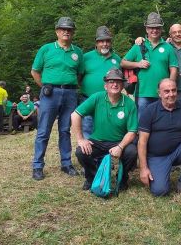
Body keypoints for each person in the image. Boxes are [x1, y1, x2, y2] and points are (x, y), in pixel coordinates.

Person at [31, 16, 84, 181]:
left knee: (65, 130)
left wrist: (72, 86)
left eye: (69, 29)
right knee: (43, 131)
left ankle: (66, 163)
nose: (66, 32)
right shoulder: (46, 49)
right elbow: (35, 71)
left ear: (73, 32)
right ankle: (38, 166)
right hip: (50, 94)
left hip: (70, 94)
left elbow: (80, 74)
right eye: (63, 29)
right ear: (57, 31)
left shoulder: (77, 52)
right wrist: (44, 87)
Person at [73, 68, 138, 191]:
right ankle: (92, 177)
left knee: (132, 152)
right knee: (81, 152)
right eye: (111, 81)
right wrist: (81, 139)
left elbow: (132, 131)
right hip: (97, 141)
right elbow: (75, 115)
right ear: (105, 85)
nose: (115, 84)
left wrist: (120, 147)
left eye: (118, 82)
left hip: (119, 141)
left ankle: (122, 178)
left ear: (123, 85)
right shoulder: (96, 97)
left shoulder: (129, 104)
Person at [138, 79, 181, 198]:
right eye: (166, 91)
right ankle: (160, 174)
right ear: (159, 93)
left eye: (173, 90)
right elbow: (142, 142)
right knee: (160, 191)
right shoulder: (150, 110)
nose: (171, 94)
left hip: (177, 151)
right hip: (156, 156)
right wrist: (143, 168)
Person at [121, 12, 178, 119]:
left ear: (161, 29)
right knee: (142, 123)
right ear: (146, 29)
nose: (154, 30)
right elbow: (123, 62)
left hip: (163, 94)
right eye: (151, 28)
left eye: (157, 28)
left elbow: (173, 69)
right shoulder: (138, 45)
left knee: (162, 122)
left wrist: (170, 88)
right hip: (143, 93)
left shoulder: (168, 47)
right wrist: (138, 64)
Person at [80, 26, 121, 138]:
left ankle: (104, 152)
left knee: (107, 128)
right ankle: (89, 153)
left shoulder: (116, 59)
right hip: (88, 99)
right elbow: (79, 76)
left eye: (107, 41)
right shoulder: (86, 57)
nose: (105, 44)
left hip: (109, 100)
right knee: (88, 127)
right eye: (101, 41)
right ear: (96, 42)